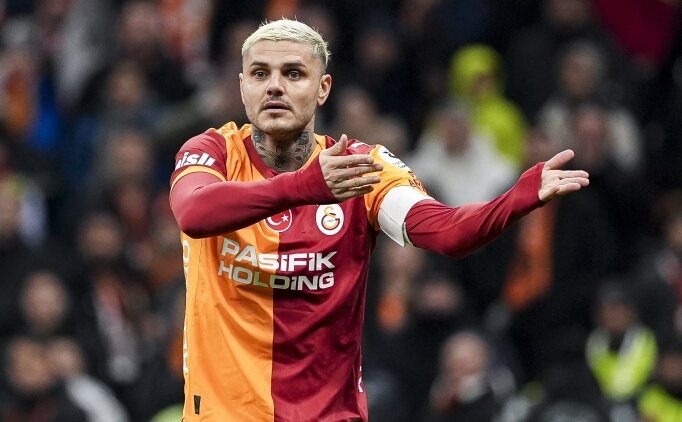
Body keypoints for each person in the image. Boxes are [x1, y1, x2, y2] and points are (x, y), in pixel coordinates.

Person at [168, 19, 590, 421]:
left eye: (294, 73)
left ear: (323, 88)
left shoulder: (361, 168)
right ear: (242, 86)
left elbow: (444, 231)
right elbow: (193, 212)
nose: (274, 85)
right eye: (260, 74)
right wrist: (305, 186)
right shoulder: (213, 152)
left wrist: (513, 200)